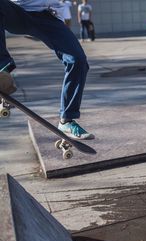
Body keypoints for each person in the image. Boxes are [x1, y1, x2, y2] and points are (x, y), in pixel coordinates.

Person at [0, 0, 94, 140]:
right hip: (18, 13)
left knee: (78, 60)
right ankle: (2, 69)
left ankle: (67, 120)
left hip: (49, 16)